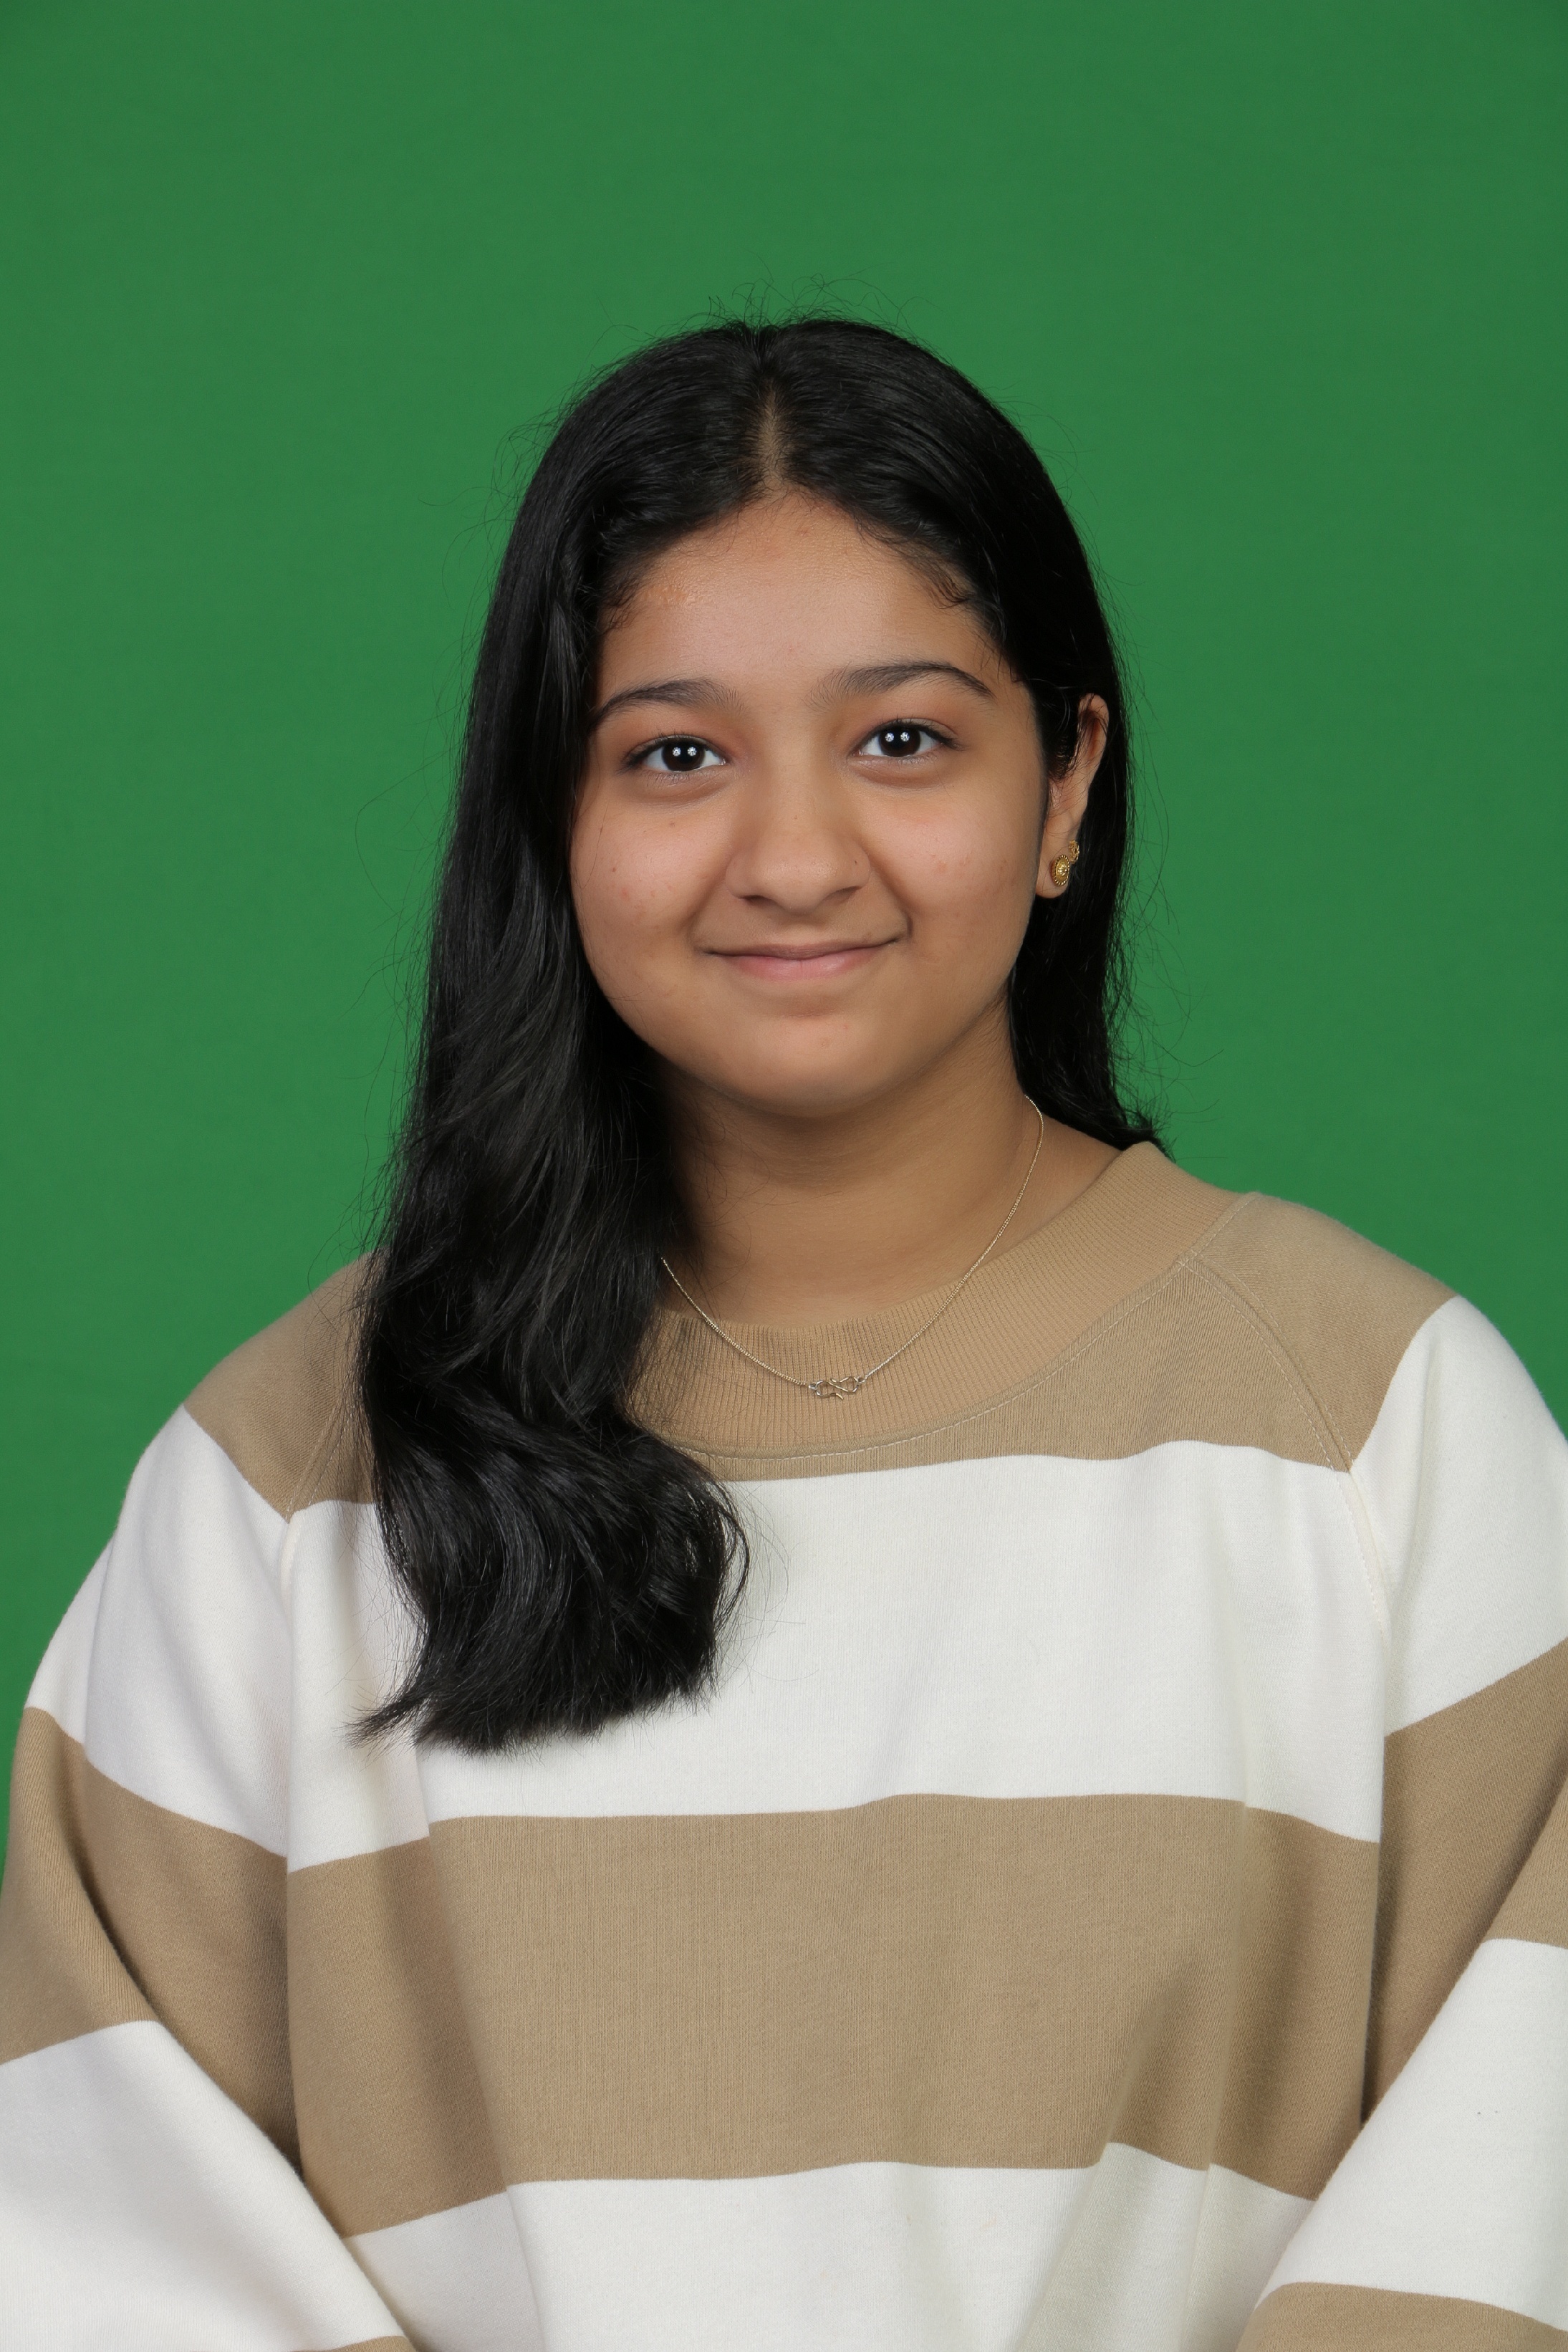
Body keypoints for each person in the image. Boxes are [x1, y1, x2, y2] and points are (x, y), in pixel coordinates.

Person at [1, 317, 1564, 2352]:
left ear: (1068, 782)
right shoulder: (287, 1482)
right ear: (551, 817)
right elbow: (92, 2218)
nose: (798, 857)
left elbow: (1512, 2191)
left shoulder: (1382, 1429)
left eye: (903, 739)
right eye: (676, 754)